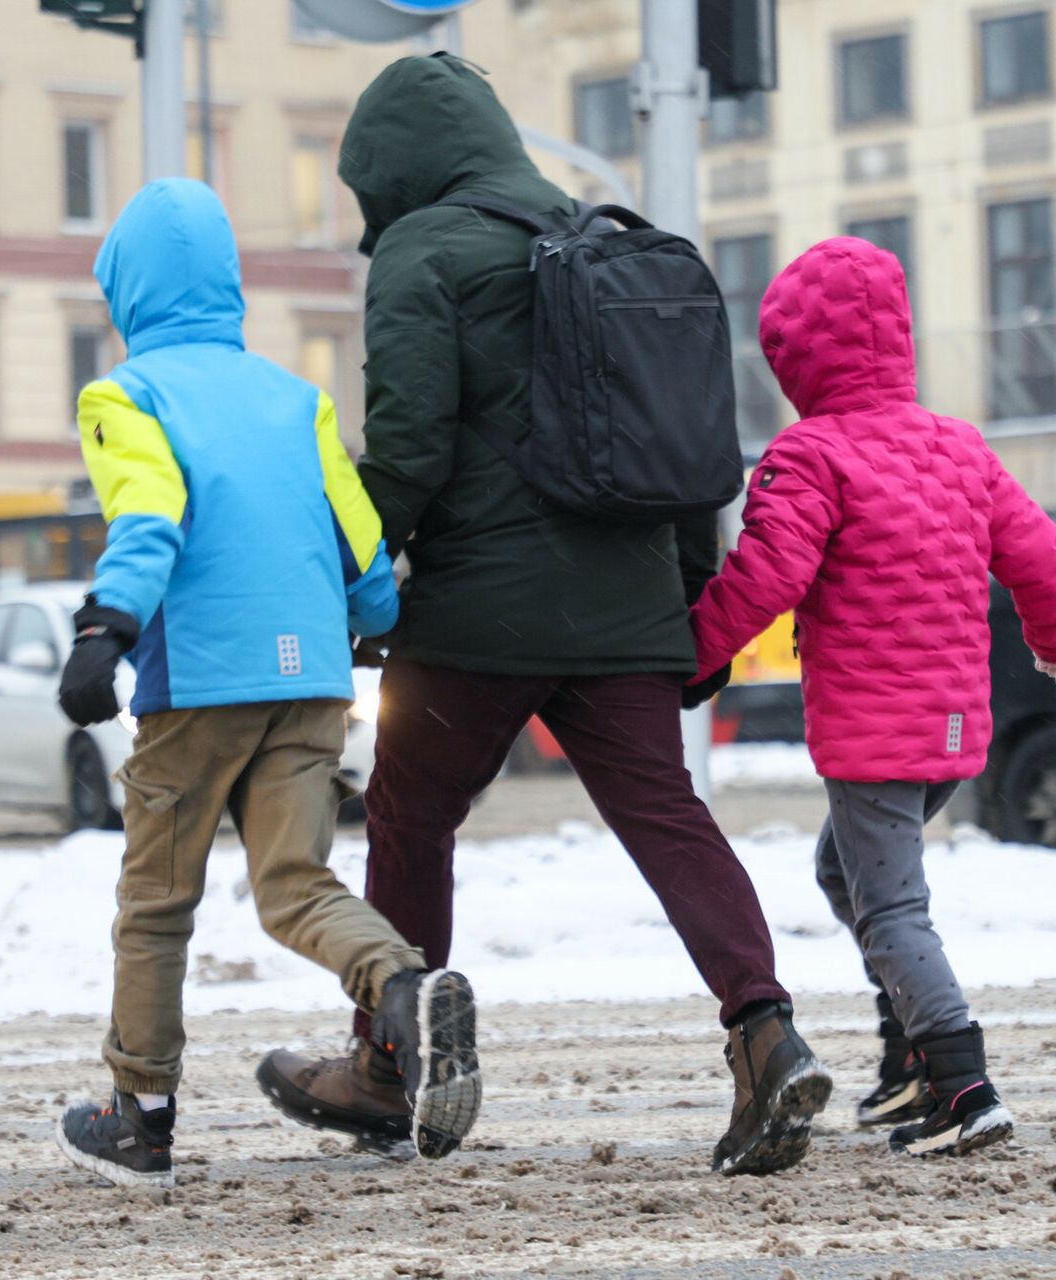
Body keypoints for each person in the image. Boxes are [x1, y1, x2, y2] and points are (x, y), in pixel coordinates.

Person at [258, 53, 832, 1177]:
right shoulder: (613, 240)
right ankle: (766, 1031)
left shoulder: (425, 251)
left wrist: (338, 577)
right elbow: (678, 453)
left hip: (478, 614)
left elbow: (411, 458)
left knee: (411, 812)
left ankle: (389, 1060)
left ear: (395, 169)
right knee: (668, 818)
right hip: (624, 610)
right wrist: (681, 608)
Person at [52, 178, 481, 1188]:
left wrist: (104, 629)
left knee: (157, 903)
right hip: (309, 679)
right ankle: (405, 985)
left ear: (129, 290)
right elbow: (362, 548)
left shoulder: (126, 395)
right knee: (296, 883)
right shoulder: (299, 398)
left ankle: (140, 1114)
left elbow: (150, 518)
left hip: (197, 680)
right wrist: (371, 621)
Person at [688, 237, 1056, 1159]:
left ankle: (962, 1084)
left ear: (793, 356)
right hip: (952, 727)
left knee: (891, 909)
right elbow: (1040, 557)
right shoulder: (959, 447)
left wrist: (691, 655)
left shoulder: (811, 453)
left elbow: (767, 573)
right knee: (849, 875)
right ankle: (910, 1055)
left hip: (872, 733)